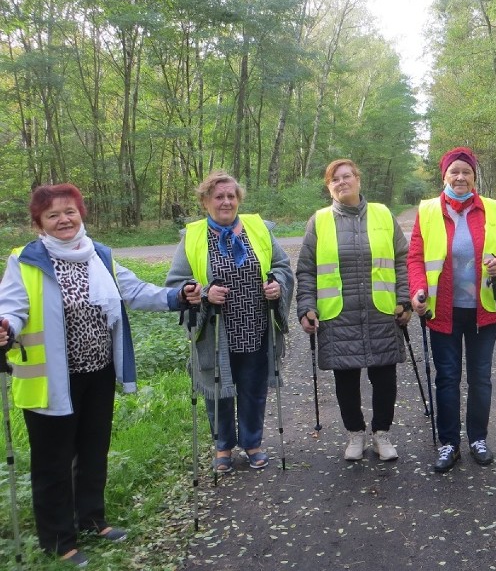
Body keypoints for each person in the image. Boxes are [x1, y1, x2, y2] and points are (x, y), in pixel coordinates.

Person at [0, 183, 200, 567]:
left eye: (70, 211)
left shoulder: (98, 255)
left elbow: (136, 291)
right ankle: (58, 540)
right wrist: (6, 326)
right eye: (53, 214)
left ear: (81, 214)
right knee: (53, 461)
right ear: (39, 223)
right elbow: (13, 308)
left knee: (93, 451)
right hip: (51, 379)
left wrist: (178, 296)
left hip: (98, 373)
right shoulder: (26, 260)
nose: (64, 220)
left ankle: (92, 519)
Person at [166, 171, 294, 474]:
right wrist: (205, 292)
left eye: (231, 196)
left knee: (253, 386)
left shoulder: (259, 229)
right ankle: (223, 446)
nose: (226, 202)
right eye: (219, 196)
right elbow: (177, 282)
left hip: (255, 325)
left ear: (239, 199)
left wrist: (277, 284)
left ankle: (253, 443)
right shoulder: (193, 236)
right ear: (205, 201)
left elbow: (281, 266)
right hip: (215, 330)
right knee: (217, 387)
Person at [408, 147, 496, 473]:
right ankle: (449, 443)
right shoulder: (428, 210)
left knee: (481, 379)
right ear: (444, 175)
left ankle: (478, 439)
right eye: (454, 171)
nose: (460, 177)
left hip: (483, 309)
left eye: (466, 172)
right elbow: (415, 257)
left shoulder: (491, 209)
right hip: (442, 310)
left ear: (474, 176)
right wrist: (417, 290)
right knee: (447, 378)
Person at [296, 159, 410, 462]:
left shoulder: (383, 215)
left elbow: (402, 260)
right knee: (346, 380)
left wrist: (405, 299)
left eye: (348, 176)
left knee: (384, 377)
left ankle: (381, 434)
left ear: (359, 180)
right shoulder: (319, 221)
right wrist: (306, 307)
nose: (342, 182)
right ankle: (355, 434)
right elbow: (306, 270)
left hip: (381, 311)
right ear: (329, 186)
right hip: (338, 315)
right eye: (335, 179)